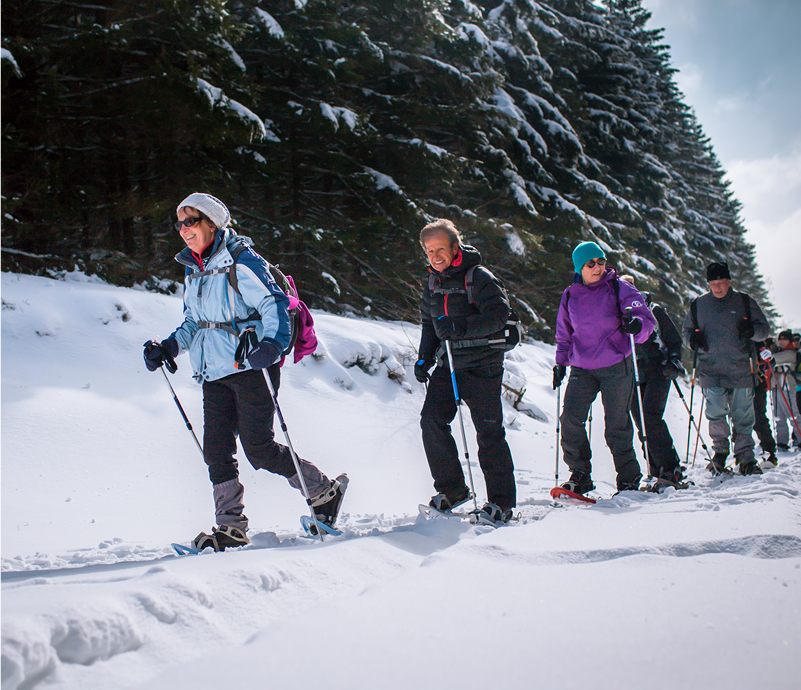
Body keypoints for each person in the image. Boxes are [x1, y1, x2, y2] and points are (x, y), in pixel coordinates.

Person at [143, 192, 346, 551]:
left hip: (252, 366)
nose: (184, 229)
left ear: (212, 223)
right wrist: (169, 347)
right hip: (213, 373)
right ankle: (231, 527)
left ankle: (322, 491)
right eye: (179, 223)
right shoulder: (193, 269)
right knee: (216, 452)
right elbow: (194, 322)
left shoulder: (241, 259)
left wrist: (274, 345)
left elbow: (275, 303)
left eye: (190, 221)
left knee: (259, 449)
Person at [415, 219, 516, 524]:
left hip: (483, 365)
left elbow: (500, 316)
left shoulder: (479, 277)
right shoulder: (432, 283)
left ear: (455, 247)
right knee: (431, 420)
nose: (435, 256)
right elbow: (429, 325)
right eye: (429, 250)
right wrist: (424, 359)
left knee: (488, 433)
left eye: (440, 248)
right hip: (449, 365)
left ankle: (502, 503)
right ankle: (453, 490)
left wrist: (460, 327)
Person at [553, 242, 657, 494]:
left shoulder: (620, 287)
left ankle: (629, 477)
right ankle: (580, 474)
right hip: (582, 368)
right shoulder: (570, 294)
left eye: (601, 261)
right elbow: (564, 332)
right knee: (570, 420)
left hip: (615, 365)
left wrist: (637, 324)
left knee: (616, 424)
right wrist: (560, 363)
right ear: (580, 268)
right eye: (591, 263)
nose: (598, 267)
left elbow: (644, 317)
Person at [682, 261, 769, 475]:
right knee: (716, 412)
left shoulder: (744, 301)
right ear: (708, 284)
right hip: (710, 369)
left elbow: (764, 331)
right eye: (713, 283)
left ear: (729, 281)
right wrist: (693, 340)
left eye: (721, 283)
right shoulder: (698, 305)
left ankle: (745, 456)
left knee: (743, 415)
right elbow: (686, 332)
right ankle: (720, 452)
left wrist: (752, 331)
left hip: (740, 368)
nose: (718, 288)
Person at [619, 275, 686, 485]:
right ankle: (656, 466)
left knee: (650, 415)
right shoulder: (616, 313)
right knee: (640, 420)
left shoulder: (653, 309)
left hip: (658, 366)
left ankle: (670, 466)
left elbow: (674, 339)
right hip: (632, 369)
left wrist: (673, 361)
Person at [770, 330, 801, 452]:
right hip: (777, 387)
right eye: (780, 339)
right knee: (779, 416)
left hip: (789, 388)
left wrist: (770, 354)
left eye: (784, 339)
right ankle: (781, 442)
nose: (781, 341)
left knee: (794, 416)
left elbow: (773, 360)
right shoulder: (778, 352)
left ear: (789, 341)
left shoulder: (792, 353)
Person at [752, 338, 778, 466]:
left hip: (757, 383)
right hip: (738, 383)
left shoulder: (756, 341)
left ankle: (769, 451)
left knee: (759, 418)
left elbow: (769, 363)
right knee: (739, 419)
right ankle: (741, 454)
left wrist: (769, 358)